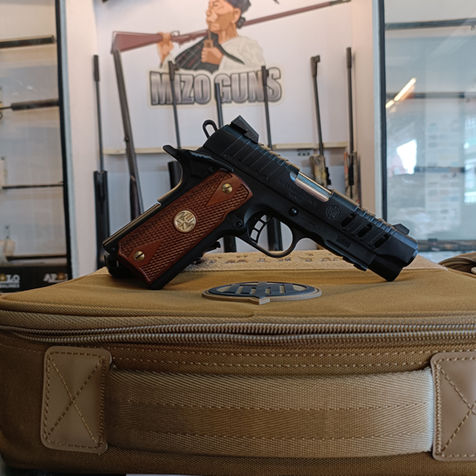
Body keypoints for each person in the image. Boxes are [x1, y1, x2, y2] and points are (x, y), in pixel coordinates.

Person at [157, 0, 265, 73]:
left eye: (215, 5)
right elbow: (180, 79)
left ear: (235, 14)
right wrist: (165, 56)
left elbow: (259, 76)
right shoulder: (201, 46)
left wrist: (220, 60)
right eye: (209, 6)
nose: (208, 12)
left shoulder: (247, 45)